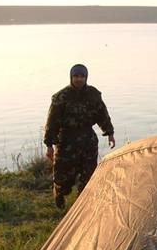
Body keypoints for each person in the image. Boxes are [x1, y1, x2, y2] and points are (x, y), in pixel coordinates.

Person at [44, 64, 115, 208]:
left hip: (88, 139)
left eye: (82, 76)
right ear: (71, 77)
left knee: (88, 174)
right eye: (76, 76)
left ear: (86, 77)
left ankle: (82, 205)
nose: (79, 79)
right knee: (63, 175)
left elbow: (102, 114)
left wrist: (110, 133)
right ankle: (59, 194)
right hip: (66, 140)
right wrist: (49, 145)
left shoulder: (93, 94)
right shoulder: (61, 97)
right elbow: (52, 121)